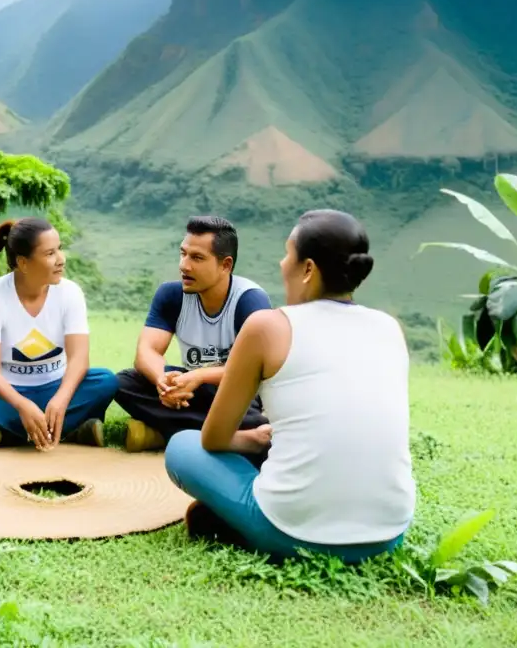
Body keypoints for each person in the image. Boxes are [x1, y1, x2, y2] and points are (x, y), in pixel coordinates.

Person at [164, 209, 416, 563]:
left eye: (287, 254)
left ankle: (241, 524)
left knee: (182, 446)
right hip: (387, 535)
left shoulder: (267, 327)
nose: (282, 264)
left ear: (308, 269)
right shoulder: (390, 328)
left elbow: (214, 439)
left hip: (289, 532)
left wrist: (250, 439)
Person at [0, 217, 118, 451]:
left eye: (59, 249)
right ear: (23, 262)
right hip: (10, 394)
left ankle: (1, 433)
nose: (61, 259)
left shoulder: (70, 293)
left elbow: (79, 358)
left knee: (106, 381)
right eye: (50, 253)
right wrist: (21, 405)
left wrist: (61, 399)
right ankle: (70, 429)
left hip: (56, 387)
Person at [115, 216, 272, 453]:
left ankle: (166, 431)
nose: (184, 265)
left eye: (197, 258)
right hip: (193, 386)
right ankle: (235, 437)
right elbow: (147, 351)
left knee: (239, 406)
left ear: (225, 265)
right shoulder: (171, 295)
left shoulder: (249, 300)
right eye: (183, 254)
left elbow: (257, 370)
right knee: (124, 383)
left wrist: (200, 376)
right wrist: (162, 383)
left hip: (239, 391)